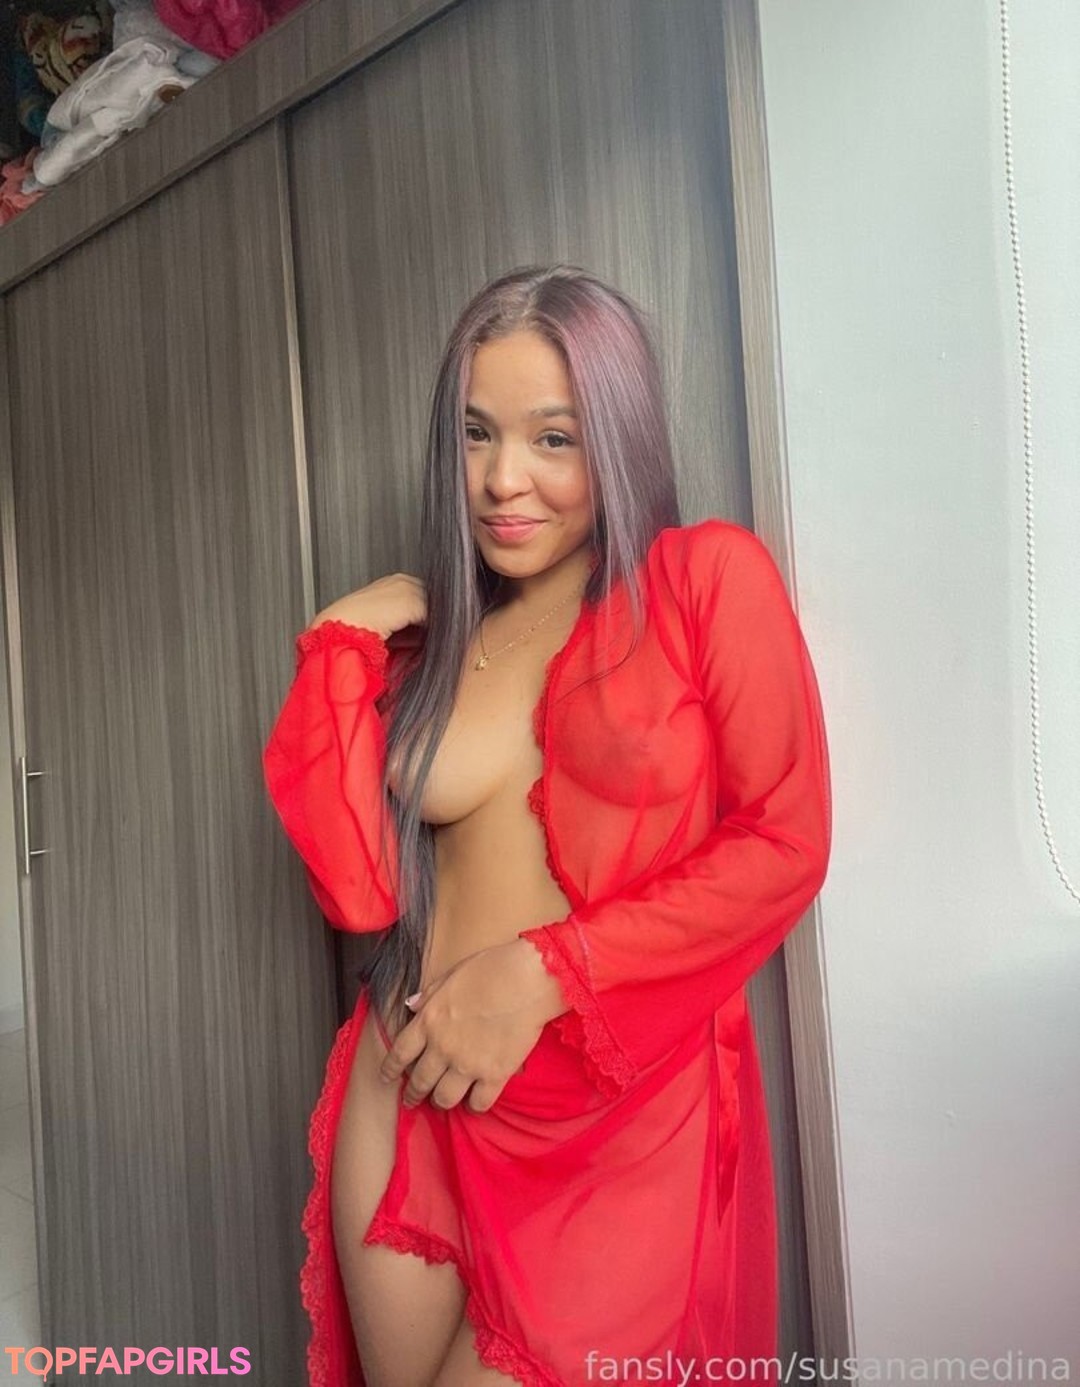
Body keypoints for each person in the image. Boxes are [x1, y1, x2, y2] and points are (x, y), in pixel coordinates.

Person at [262, 264, 833, 1387]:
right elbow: (360, 891)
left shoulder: (701, 581)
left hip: (615, 1132)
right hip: (410, 1090)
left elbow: (786, 842)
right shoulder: (438, 646)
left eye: (553, 438)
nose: (501, 479)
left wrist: (540, 972)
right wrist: (340, 644)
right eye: (475, 434)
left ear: (616, 438)